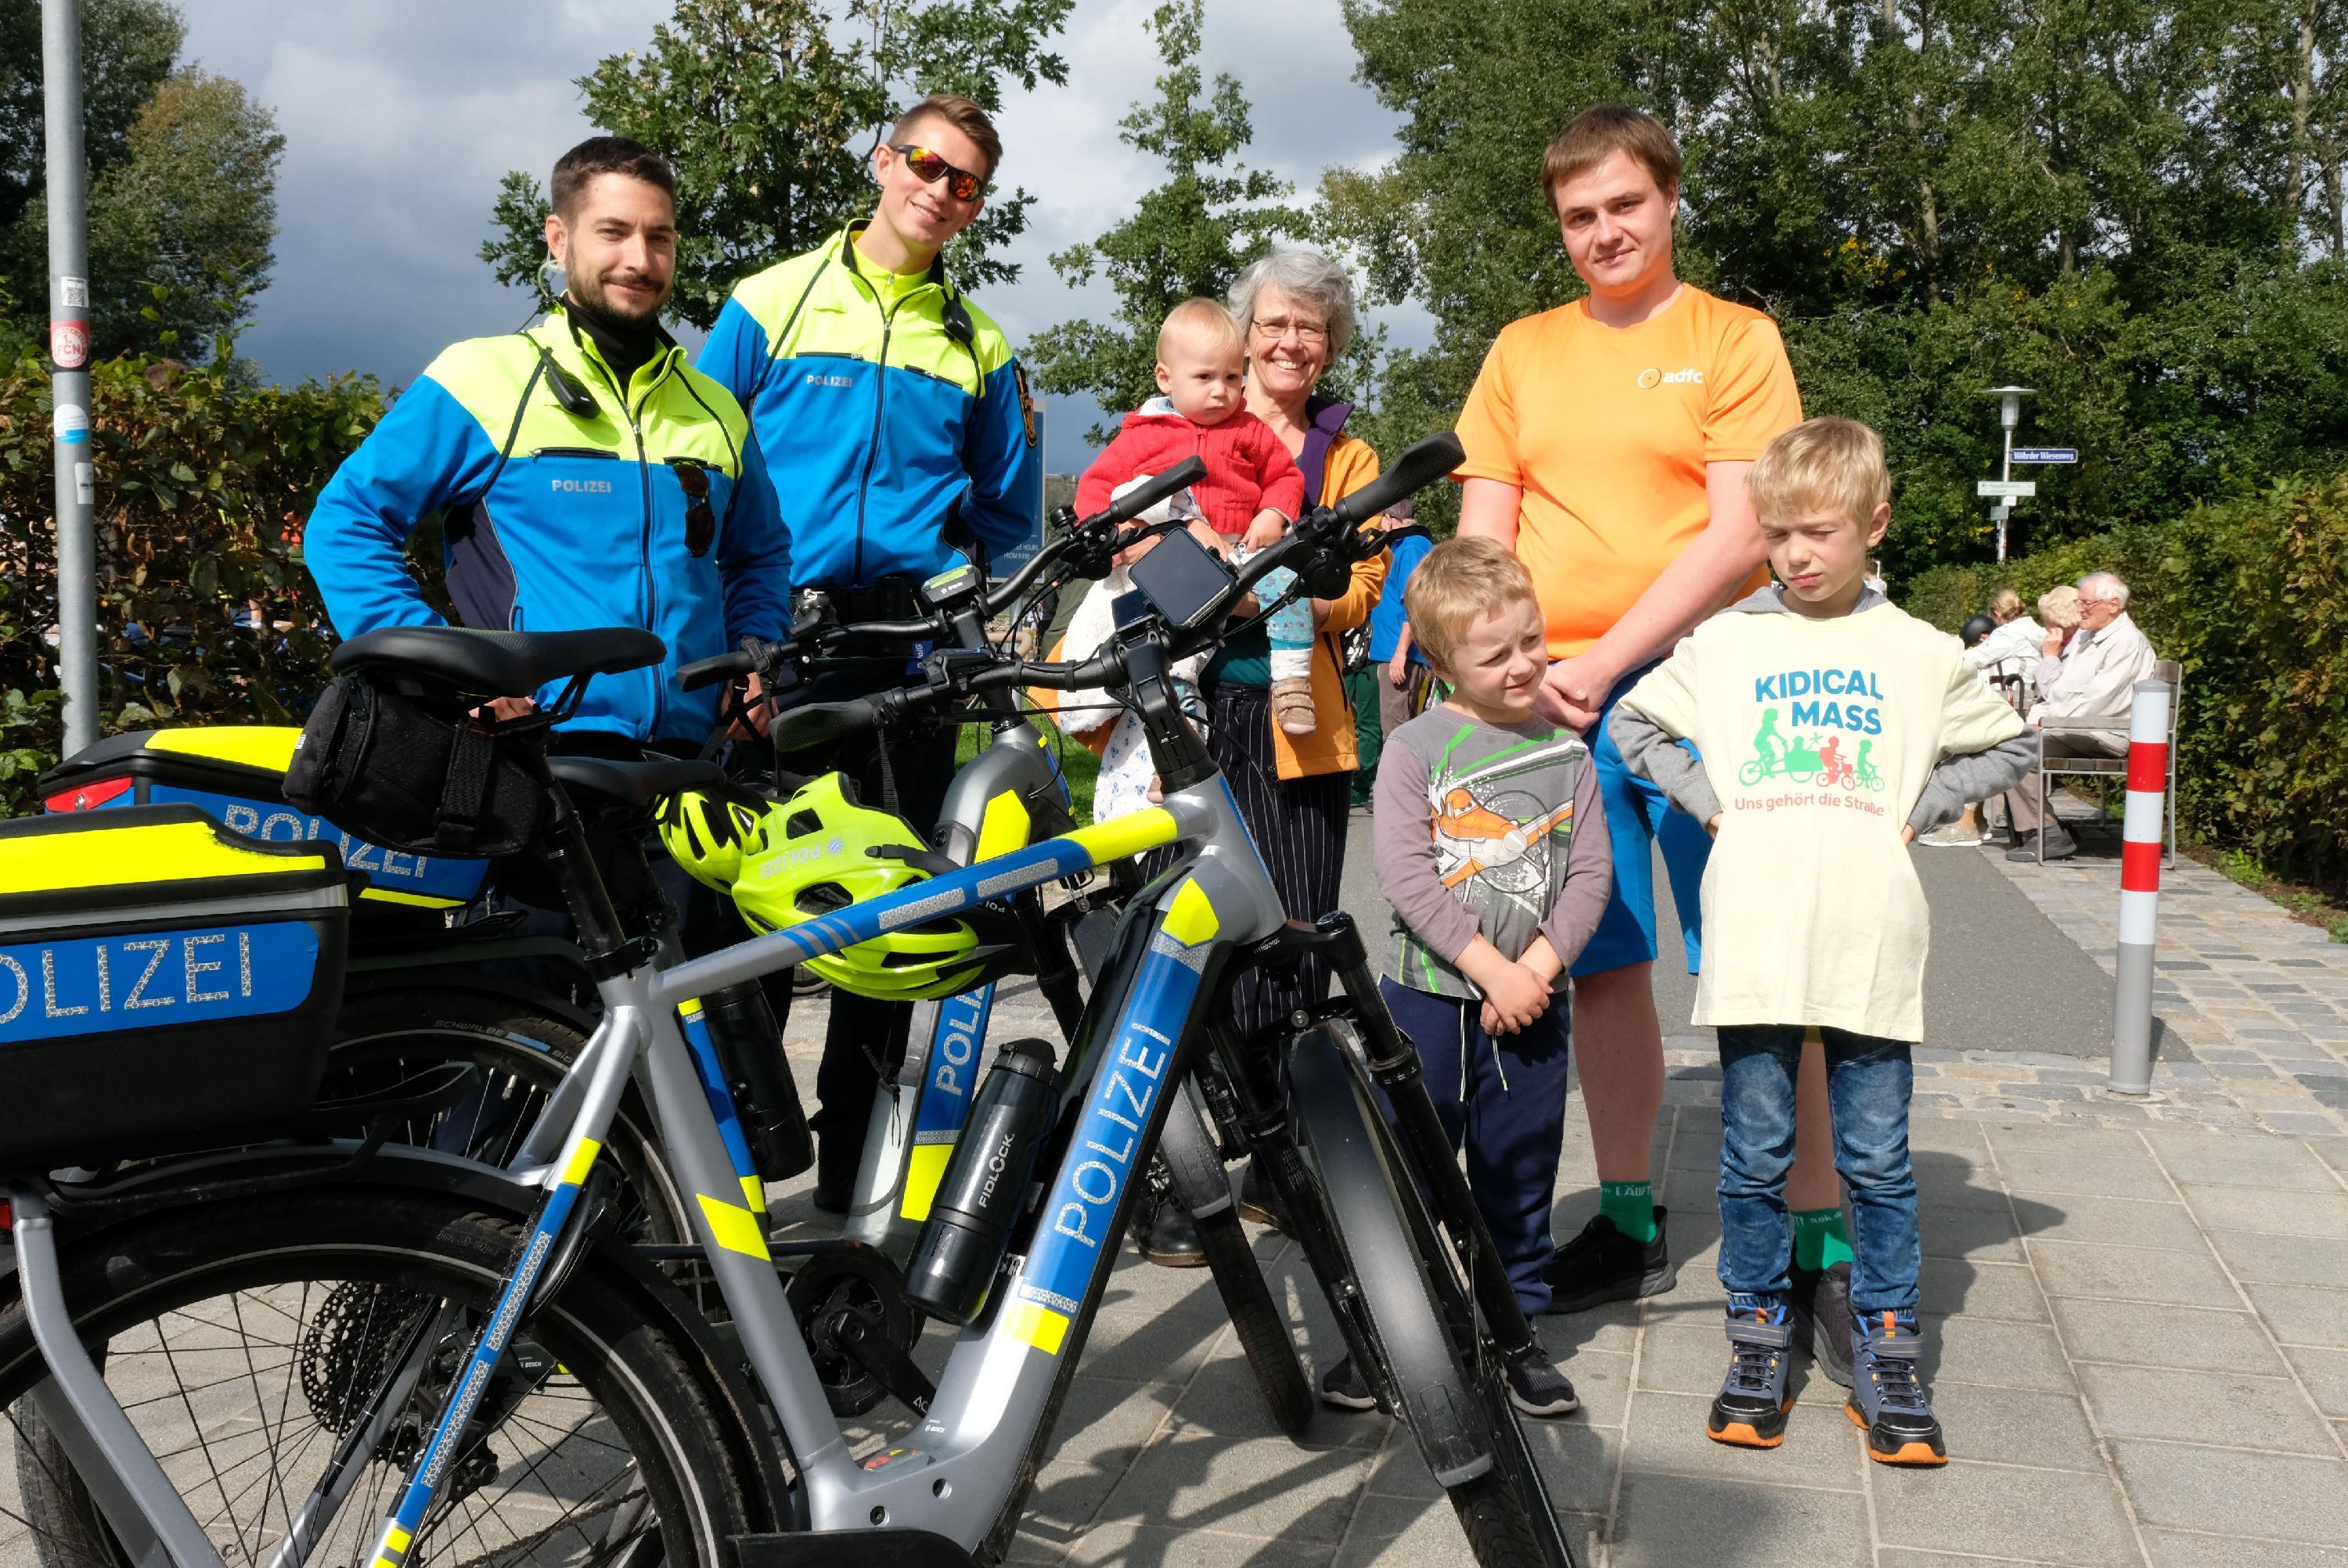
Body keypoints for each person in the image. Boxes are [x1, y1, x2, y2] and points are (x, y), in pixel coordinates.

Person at [1452, 103, 1833, 1325]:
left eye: (1625, 204)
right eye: (1579, 216)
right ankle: (1625, 1214)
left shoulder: (1734, 338)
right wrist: (1485, 668)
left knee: (1763, 966)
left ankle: (1816, 1234)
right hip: (1550, 702)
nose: (1604, 232)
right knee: (1603, 967)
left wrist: (1604, 657)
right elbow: (1484, 530)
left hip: (1704, 687)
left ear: (1670, 199)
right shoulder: (1521, 352)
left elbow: (1738, 535)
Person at [1608, 416, 2033, 1465]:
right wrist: (1713, 805)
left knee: (1878, 1162)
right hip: (1756, 940)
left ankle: (1890, 1350)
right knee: (1753, 1155)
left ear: (1874, 525)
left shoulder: (1922, 652)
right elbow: (1634, 726)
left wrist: (1920, 804)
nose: (1796, 554)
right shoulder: (1727, 643)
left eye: (1820, 532)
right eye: (1778, 534)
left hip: (1869, 944)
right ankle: (1756, 1335)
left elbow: (2018, 740)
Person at [697, 94, 1044, 1210]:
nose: (941, 189)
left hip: (909, 651)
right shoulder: (769, 299)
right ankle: (737, 1183)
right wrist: (727, 642)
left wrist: (971, 616)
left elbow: (1005, 516)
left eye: (967, 181)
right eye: (927, 164)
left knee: (893, 921)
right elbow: (698, 469)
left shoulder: (976, 341)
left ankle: (853, 1190)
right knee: (751, 916)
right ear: (883, 161)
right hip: (777, 640)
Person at [307, 136, 790, 749]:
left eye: (659, 236)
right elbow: (345, 522)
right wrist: (448, 677)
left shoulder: (716, 410)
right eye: (612, 232)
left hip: (690, 764)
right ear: (559, 240)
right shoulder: (480, 378)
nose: (639, 259)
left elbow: (761, 555)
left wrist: (755, 657)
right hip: (534, 762)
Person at [1128, 248, 1390, 1269]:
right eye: (1272, 325)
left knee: (1285, 941)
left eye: (1309, 330)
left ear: (1330, 350)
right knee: (1183, 938)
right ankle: (1180, 1170)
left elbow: (1362, 590)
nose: (1287, 344)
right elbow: (1129, 540)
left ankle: (1279, 1159)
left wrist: (1261, 594)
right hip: (1184, 718)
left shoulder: (1345, 457)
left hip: (1292, 722)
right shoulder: (1183, 429)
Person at [1324, 538, 1610, 1419]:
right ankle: (1388, 1329)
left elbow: (1592, 874)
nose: (1524, 664)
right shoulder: (1416, 749)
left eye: (1533, 641)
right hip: (1425, 998)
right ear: (1445, 665)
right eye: (1497, 653)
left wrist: (1538, 969)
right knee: (1410, 1164)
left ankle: (1516, 1324)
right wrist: (1488, 968)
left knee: (1518, 1167)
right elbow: (1407, 878)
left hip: (1534, 1003)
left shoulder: (1568, 752)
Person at [1073, 299, 1312, 731]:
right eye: (1204, 377)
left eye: (1233, 377)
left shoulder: (1249, 429)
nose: (1221, 390)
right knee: (1170, 630)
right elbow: (1094, 486)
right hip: (1176, 555)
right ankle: (1181, 717)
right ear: (1165, 377)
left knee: (1288, 588)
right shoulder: (1145, 435)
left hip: (1242, 545)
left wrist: (1273, 513)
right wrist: (1109, 537)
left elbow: (1287, 477)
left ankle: (1293, 681)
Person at [2003, 571, 2156, 862]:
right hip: (2077, 725)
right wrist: (2039, 717)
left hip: (2105, 732)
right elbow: (2057, 689)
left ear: (2112, 605)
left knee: (2018, 746)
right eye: (2079, 601)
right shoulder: (2088, 637)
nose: (2080, 609)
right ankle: (2045, 831)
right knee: (2011, 741)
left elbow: (2096, 703)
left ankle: (2046, 833)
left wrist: (2042, 722)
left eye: (2086, 603)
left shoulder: (2126, 643)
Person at [1921, 589, 2047, 847]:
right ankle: (1974, 821)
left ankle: (1966, 824)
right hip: (2025, 699)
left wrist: (1938, 656)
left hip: (2009, 700)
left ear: (1998, 614)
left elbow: (1975, 657)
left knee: (1969, 745)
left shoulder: (2011, 633)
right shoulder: (2036, 631)